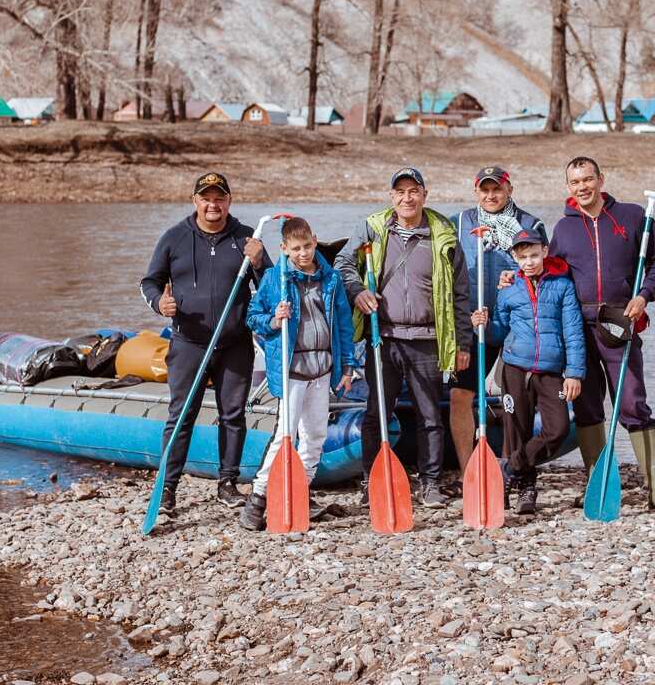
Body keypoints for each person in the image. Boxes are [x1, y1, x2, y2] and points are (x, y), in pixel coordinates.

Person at [335, 167, 471, 509]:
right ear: (391, 196)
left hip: (428, 338)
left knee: (429, 415)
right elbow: (342, 264)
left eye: (414, 191)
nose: (407, 198)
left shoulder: (444, 233)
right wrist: (356, 292)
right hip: (384, 337)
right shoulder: (373, 228)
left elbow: (460, 295)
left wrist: (463, 343)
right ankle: (372, 481)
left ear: (424, 194)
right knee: (376, 412)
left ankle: (430, 484)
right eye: (400, 192)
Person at [547, 156, 655, 513]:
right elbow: (553, 278)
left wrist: (644, 294)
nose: (582, 187)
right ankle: (595, 481)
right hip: (578, 326)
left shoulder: (634, 217)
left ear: (601, 179)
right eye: (575, 182)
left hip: (620, 321)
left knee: (633, 404)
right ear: (568, 187)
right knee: (587, 407)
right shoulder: (564, 229)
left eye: (588, 179)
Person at [139, 172, 271, 515]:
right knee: (181, 415)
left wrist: (258, 261)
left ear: (229, 200)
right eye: (206, 198)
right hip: (189, 343)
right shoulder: (174, 238)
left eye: (220, 198)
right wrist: (159, 304)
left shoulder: (247, 239)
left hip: (235, 344)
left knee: (233, 415)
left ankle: (227, 483)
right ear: (195, 201)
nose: (213, 204)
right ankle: (168, 489)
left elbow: (269, 287)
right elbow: (150, 282)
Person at [238, 217, 358, 531]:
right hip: (291, 370)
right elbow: (253, 318)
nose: (303, 253)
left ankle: (299, 491)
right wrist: (275, 320)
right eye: (296, 248)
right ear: (284, 248)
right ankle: (258, 498)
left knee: (315, 436)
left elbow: (343, 325)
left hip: (322, 370)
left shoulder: (330, 279)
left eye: (307, 246)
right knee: (284, 436)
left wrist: (348, 366)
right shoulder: (275, 279)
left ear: (315, 241)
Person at [449, 166, 548, 488]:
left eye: (498, 189)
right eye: (485, 190)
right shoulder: (460, 223)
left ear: (509, 189)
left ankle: (512, 468)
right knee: (461, 395)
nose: (491, 196)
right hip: (471, 324)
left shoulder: (530, 225)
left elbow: (544, 273)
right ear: (476, 191)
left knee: (513, 398)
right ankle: (467, 472)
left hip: (516, 326)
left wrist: (518, 282)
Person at [477, 228, 585, 514]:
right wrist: (484, 324)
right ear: (515, 257)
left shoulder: (562, 286)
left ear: (545, 252)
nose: (529, 262)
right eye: (523, 256)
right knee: (517, 432)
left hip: (551, 371)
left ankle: (510, 467)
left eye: (534, 255)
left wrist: (574, 372)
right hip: (515, 368)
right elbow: (499, 333)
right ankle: (526, 490)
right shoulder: (509, 290)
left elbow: (573, 332)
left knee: (557, 429)